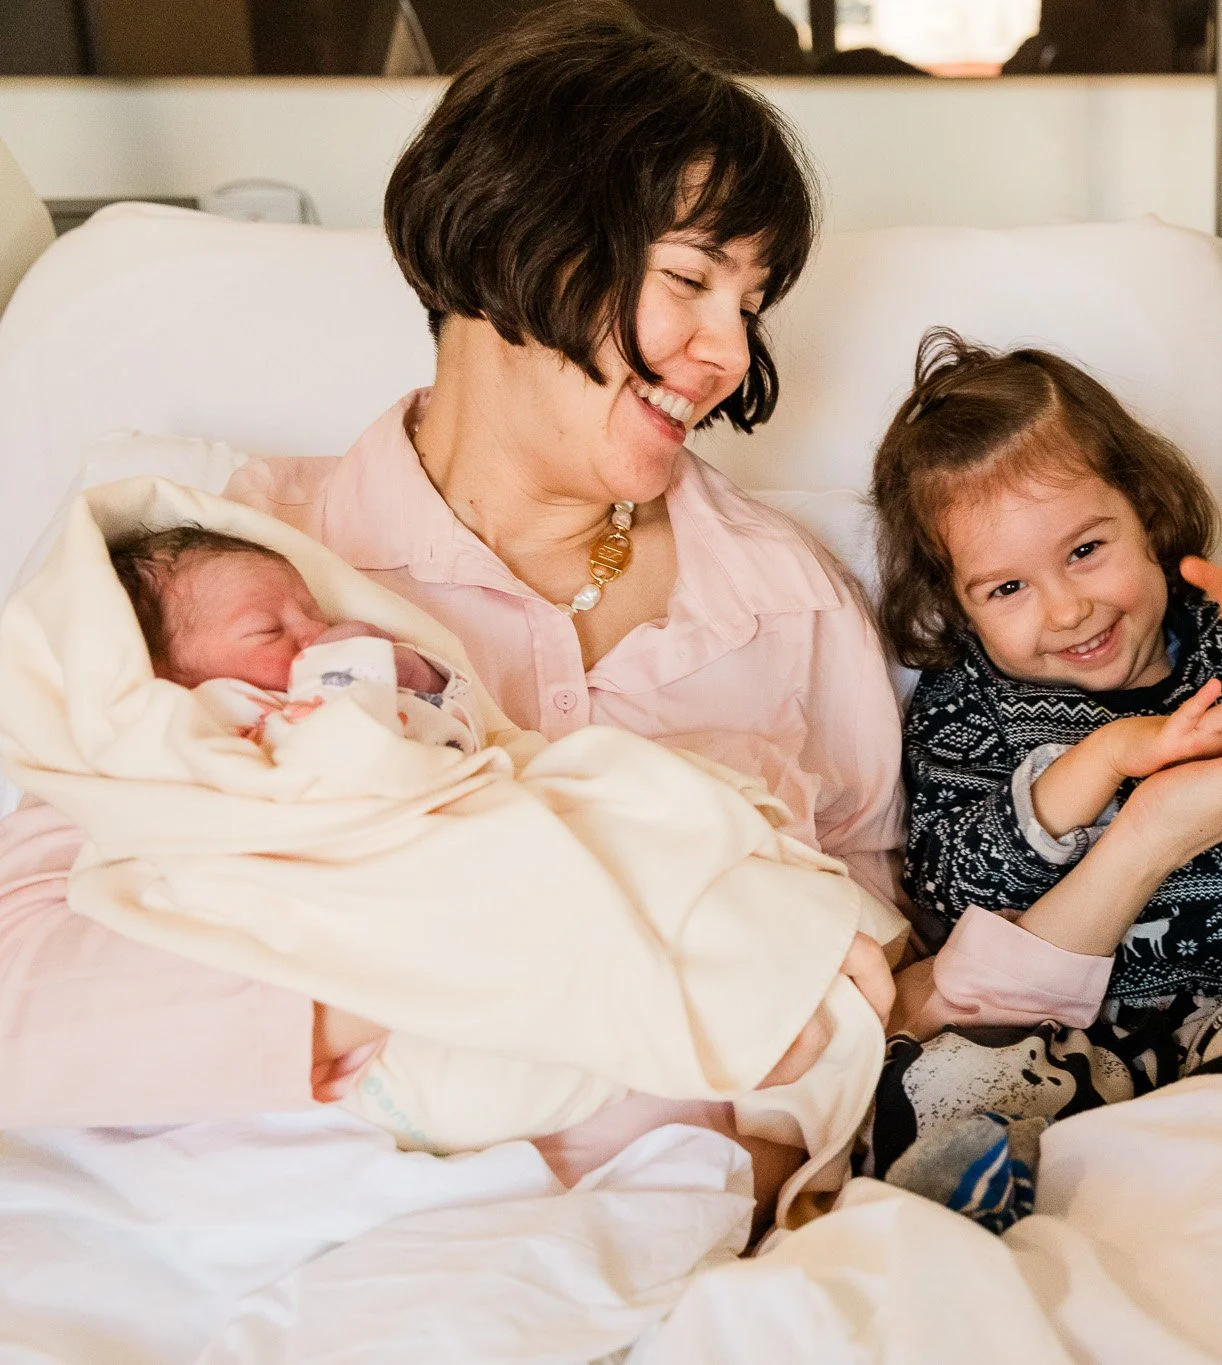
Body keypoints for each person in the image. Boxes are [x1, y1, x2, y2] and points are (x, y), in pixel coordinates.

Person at [0, 2, 917, 1211]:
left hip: (700, 1237)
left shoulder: (786, 603)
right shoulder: (225, 572)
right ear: (516, 241)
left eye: (748, 306)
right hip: (295, 1231)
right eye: (690, 278)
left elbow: (863, 940)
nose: (728, 355)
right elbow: (23, 976)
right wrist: (476, 962)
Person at [858, 331, 1222, 1225]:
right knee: (938, 1075)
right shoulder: (969, 700)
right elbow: (954, 884)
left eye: (1083, 550)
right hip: (1058, 1049)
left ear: (1145, 512)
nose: (1067, 609)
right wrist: (1102, 760)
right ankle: (990, 1226)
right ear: (955, 604)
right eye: (1006, 590)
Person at [108, 526, 468, 747]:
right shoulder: (201, 713)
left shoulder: (335, 678)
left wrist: (417, 675)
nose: (316, 630)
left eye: (314, 612)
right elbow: (321, 756)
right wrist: (350, 672)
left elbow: (459, 732)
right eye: (268, 630)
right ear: (166, 671)